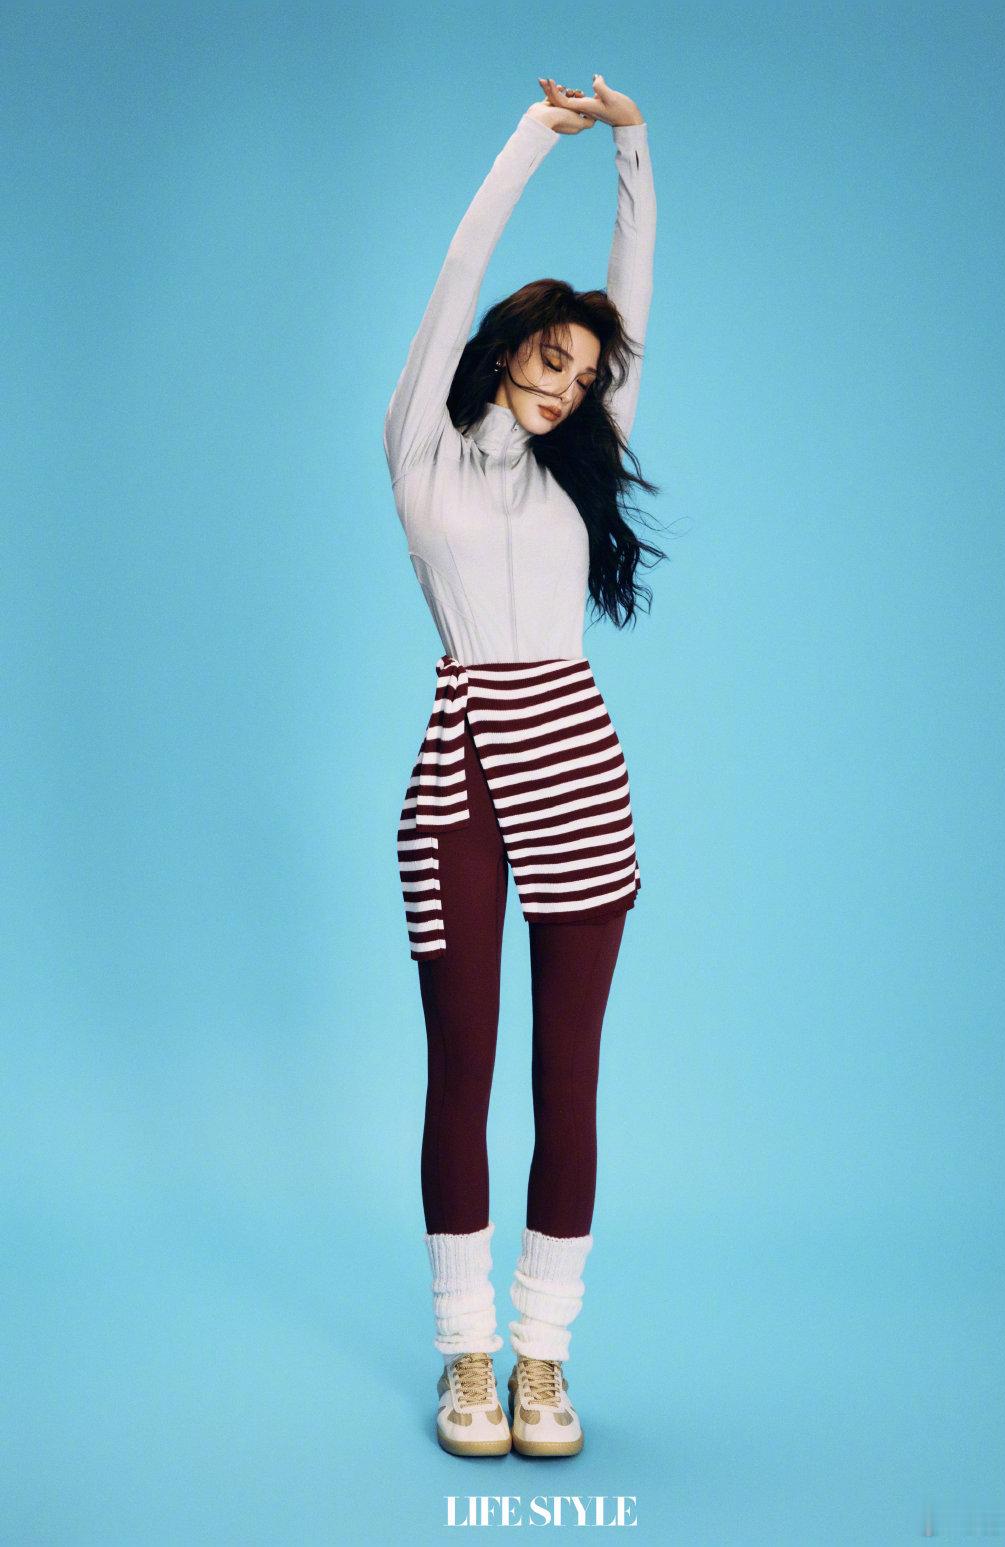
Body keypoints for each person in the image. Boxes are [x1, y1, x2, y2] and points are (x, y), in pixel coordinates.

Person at [382, 73, 661, 1458]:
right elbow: (458, 269)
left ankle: (544, 1360)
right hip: (460, 785)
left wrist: (634, 150)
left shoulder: (579, 461)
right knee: (462, 1071)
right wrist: (531, 140)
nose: (565, 389)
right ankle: (467, 1358)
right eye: (550, 363)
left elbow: (634, 296)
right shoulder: (422, 453)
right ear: (505, 351)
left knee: (569, 1080)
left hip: (580, 777)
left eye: (586, 376)